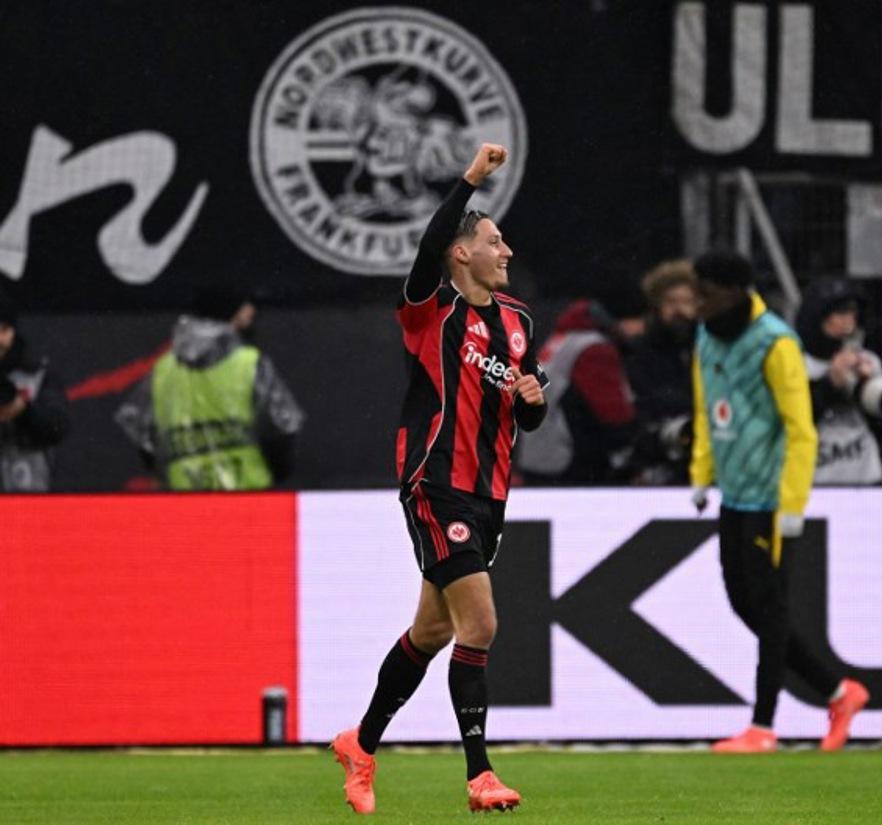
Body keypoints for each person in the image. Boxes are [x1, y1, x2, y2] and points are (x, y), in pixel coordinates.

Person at [331, 143, 547, 815]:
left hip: (490, 495)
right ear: (462, 253)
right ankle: (480, 773)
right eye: (493, 239)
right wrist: (470, 182)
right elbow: (427, 247)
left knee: (431, 632)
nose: (505, 249)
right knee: (479, 620)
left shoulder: (517, 324)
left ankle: (359, 743)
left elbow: (523, 416)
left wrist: (535, 401)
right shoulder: (430, 310)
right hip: (435, 481)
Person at [689, 250, 868, 753]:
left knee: (771, 609)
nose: (697, 303)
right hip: (733, 494)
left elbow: (800, 430)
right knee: (744, 603)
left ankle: (763, 726)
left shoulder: (775, 343)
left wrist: (792, 506)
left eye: (706, 292)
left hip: (770, 498)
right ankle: (839, 691)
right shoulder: (706, 336)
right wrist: (701, 473)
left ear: (734, 292)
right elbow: (705, 407)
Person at [114, 285, 304, 490]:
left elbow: (145, 439)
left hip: (185, 497)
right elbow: (280, 429)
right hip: (249, 494)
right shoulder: (249, 364)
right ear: (234, 313)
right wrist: (279, 472)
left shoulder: (163, 372)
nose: (252, 313)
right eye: (246, 307)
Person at [515, 293, 638, 485]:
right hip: (569, 459)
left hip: (538, 452)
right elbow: (614, 414)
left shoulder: (562, 340)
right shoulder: (594, 348)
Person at [796, 275, 882, 485]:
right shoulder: (795, 364)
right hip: (813, 482)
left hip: (864, 478)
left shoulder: (867, 360)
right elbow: (788, 426)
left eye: (853, 312)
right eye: (841, 312)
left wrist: (867, 387)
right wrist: (829, 387)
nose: (849, 320)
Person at [625, 259, 699, 485]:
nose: (680, 310)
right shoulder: (639, 350)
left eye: (687, 301)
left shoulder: (709, 348)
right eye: (672, 301)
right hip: (654, 459)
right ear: (657, 305)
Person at [0, 289, 70, 490]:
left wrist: (22, 410)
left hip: (27, 498)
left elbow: (57, 426)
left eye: (4, 329)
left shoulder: (36, 375)